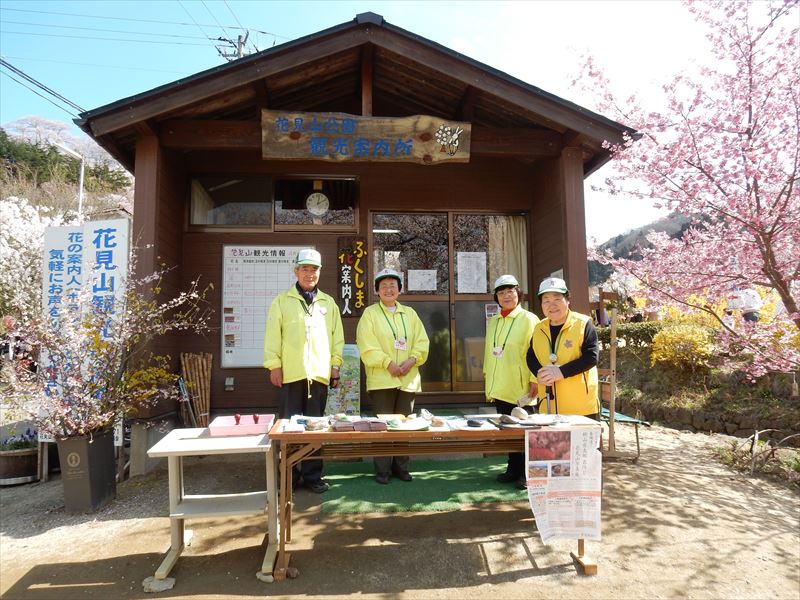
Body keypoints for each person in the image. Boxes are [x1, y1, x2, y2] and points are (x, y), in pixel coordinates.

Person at [263, 248, 344, 493]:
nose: (309, 273)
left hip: (318, 376)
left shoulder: (328, 303)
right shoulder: (282, 301)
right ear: (296, 270)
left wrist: (335, 366)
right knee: (288, 429)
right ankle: (288, 477)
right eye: (305, 268)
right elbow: (272, 336)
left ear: (320, 272)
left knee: (316, 429)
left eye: (314, 269)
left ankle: (312, 477)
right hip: (291, 375)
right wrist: (274, 365)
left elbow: (336, 338)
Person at [356, 268, 429, 484]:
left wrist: (412, 360)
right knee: (382, 425)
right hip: (381, 379)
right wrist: (387, 364)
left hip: (408, 378)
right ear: (377, 291)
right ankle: (382, 470)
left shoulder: (410, 314)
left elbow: (422, 341)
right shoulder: (370, 314)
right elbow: (366, 345)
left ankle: (402, 467)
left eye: (393, 285)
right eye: (384, 286)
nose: (389, 289)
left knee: (405, 425)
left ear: (399, 290)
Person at [483, 274, 539, 490]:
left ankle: (528, 473)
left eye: (510, 291)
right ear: (496, 297)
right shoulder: (495, 320)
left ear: (518, 294)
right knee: (508, 431)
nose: (506, 296)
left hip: (521, 386)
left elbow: (537, 352)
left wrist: (535, 379)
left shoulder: (529, 319)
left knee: (525, 432)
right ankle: (513, 469)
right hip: (500, 385)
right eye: (501, 292)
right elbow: (490, 352)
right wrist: (488, 377)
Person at [527, 277, 600, 419]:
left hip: (581, 408)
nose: (551, 305)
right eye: (546, 300)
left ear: (567, 300)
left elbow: (591, 357)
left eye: (557, 299)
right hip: (548, 406)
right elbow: (530, 356)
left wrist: (561, 372)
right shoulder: (539, 328)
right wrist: (538, 372)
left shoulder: (583, 323)